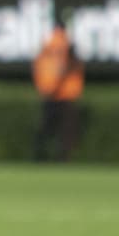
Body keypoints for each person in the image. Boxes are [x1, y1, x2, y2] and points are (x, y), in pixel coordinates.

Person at [32, 22, 84, 162]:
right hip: (64, 94)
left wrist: (44, 87)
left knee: (47, 129)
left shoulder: (46, 46)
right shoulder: (65, 46)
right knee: (65, 132)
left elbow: (39, 69)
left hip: (51, 93)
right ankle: (61, 158)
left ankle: (41, 156)